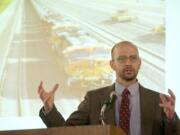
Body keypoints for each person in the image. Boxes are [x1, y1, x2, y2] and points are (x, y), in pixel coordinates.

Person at [38, 41, 179, 135]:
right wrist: (49, 109)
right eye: (122, 59)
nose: (128, 63)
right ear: (112, 64)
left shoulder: (160, 101)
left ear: (139, 63)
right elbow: (66, 132)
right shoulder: (93, 99)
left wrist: (171, 119)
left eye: (133, 58)